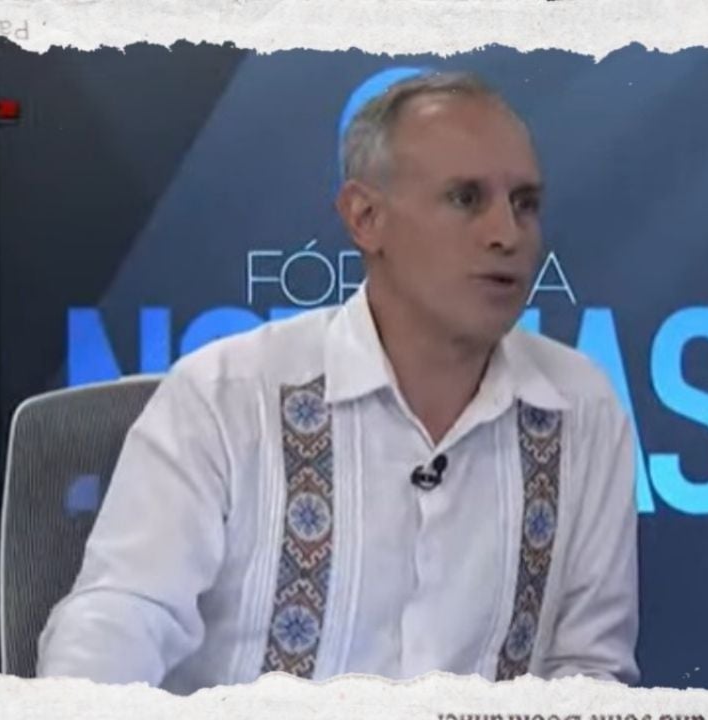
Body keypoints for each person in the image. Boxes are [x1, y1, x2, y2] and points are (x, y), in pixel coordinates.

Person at [36, 70, 640, 693]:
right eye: (465, 199)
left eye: (525, 204)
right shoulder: (225, 396)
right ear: (365, 217)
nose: (506, 235)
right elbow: (120, 618)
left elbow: (589, 668)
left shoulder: (582, 409)